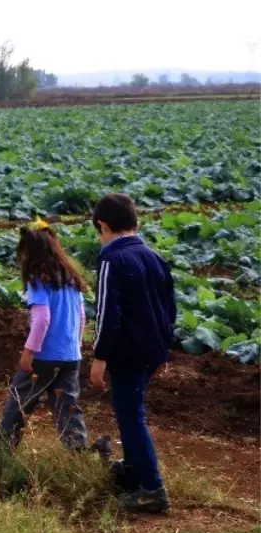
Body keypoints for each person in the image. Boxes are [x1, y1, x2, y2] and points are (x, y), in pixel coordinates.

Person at [90, 193, 177, 513]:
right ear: (135, 222)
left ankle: (152, 488)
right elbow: (170, 308)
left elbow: (107, 314)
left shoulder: (112, 259)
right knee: (133, 410)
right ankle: (134, 469)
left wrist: (99, 356)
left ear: (103, 225)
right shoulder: (153, 255)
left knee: (131, 417)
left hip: (127, 352)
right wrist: (163, 350)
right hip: (152, 349)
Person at [0, 220, 89, 449]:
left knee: (21, 397)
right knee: (67, 405)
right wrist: (76, 345)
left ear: (30, 254)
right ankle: (79, 450)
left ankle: (4, 443)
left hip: (44, 355)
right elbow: (81, 317)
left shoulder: (38, 281)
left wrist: (29, 352)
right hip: (71, 355)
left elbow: (42, 320)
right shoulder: (71, 280)